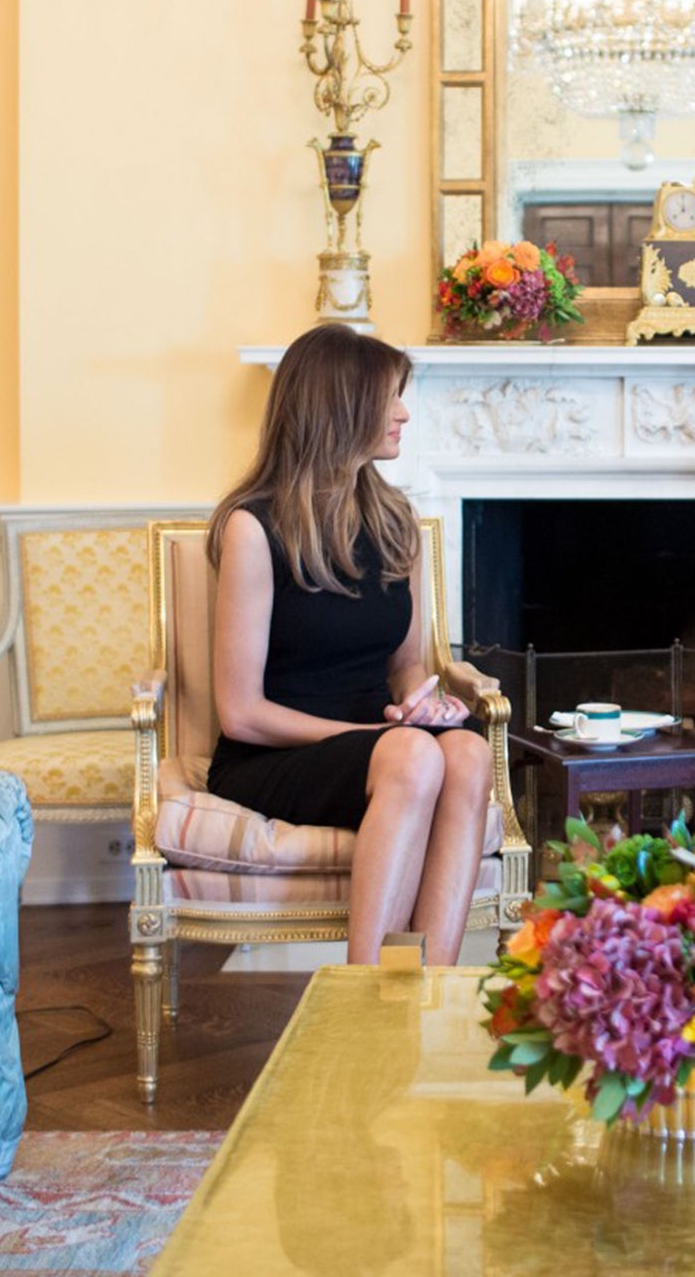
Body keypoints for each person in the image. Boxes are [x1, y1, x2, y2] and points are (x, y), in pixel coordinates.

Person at [206, 324, 493, 965]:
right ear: (340, 407)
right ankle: (365, 1006)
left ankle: (427, 991)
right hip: (271, 754)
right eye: (389, 397)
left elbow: (406, 664)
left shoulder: (397, 523)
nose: (403, 412)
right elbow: (241, 714)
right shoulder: (254, 528)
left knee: (470, 752)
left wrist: (421, 703)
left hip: (384, 740)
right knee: (414, 759)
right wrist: (374, 737)